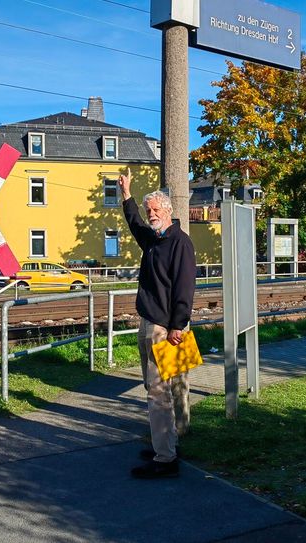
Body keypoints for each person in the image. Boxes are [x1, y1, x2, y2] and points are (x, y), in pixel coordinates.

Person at [119, 168, 196, 479]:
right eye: (149, 209)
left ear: (169, 212)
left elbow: (185, 286)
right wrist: (126, 194)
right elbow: (134, 223)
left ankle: (165, 458)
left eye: (156, 209)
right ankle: (170, 443)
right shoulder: (152, 240)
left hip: (167, 328)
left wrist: (178, 324)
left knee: (160, 391)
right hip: (150, 321)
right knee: (164, 386)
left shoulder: (180, 242)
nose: (151, 214)